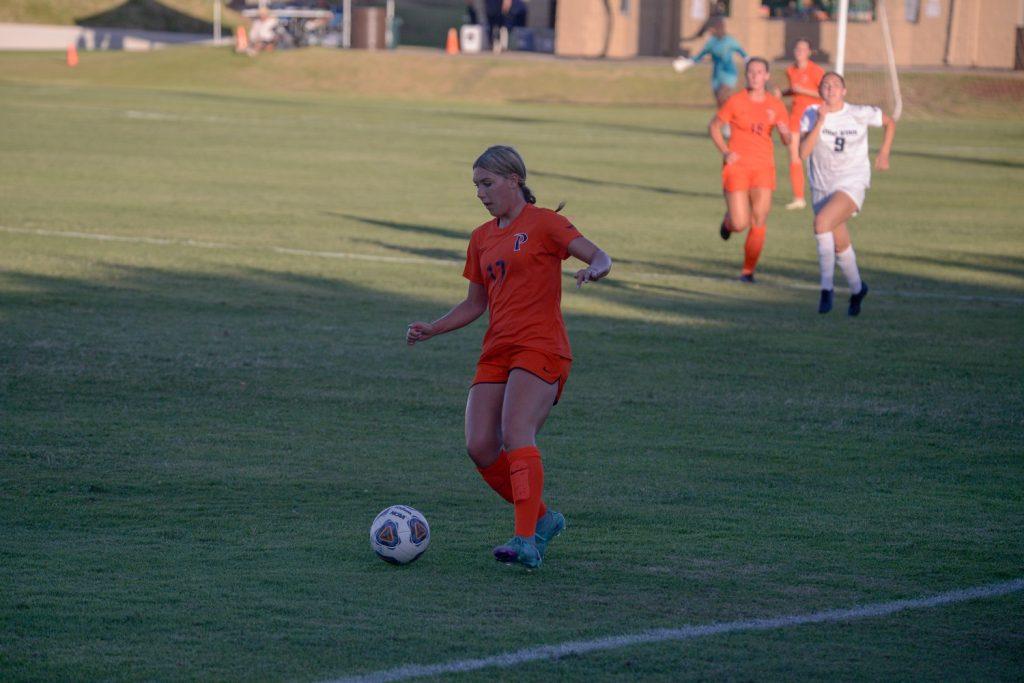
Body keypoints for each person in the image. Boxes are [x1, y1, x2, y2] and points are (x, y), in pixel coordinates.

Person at [406, 145, 612, 570]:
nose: (480, 193)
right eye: (476, 185)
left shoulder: (545, 224)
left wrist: (594, 269)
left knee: (516, 431)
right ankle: (543, 519)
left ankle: (525, 541)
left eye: (487, 183)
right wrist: (434, 327)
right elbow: (474, 303)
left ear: (514, 179)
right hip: (497, 349)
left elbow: (599, 254)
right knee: (480, 446)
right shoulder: (481, 237)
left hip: (541, 346)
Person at [799, 71, 896, 316]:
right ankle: (857, 288)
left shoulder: (857, 113)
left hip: (852, 181)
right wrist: (820, 122)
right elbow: (802, 153)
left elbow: (889, 122)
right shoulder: (811, 113)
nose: (830, 89)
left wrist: (884, 151)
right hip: (822, 186)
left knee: (821, 223)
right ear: (820, 90)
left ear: (844, 91)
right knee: (839, 242)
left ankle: (826, 289)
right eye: (825, 85)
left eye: (835, 86)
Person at [708, 57, 792, 282]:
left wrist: (785, 133)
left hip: (764, 168)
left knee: (759, 219)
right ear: (747, 76)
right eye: (751, 72)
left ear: (767, 76)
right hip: (737, 168)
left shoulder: (775, 104)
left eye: (759, 72)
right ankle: (728, 223)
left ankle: (748, 271)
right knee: (740, 222)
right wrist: (726, 152)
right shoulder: (736, 101)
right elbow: (714, 126)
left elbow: (786, 139)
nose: (755, 76)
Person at [777, 38, 825, 210]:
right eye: (797, 48)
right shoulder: (790, 70)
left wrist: (801, 90)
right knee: (794, 154)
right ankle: (799, 198)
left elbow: (823, 94)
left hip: (813, 118)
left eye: (803, 49)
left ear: (809, 52)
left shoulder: (816, 71)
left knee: (819, 157)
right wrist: (781, 93)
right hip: (796, 117)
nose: (799, 51)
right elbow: (794, 90)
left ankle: (829, 194)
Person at [688, 17, 748, 107]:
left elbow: (743, 54)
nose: (710, 32)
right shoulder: (711, 42)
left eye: (712, 30)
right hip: (716, 75)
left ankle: (730, 117)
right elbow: (700, 55)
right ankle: (725, 119)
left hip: (729, 73)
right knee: (719, 102)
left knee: (722, 95)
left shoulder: (730, 41)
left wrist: (750, 62)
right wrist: (688, 61)